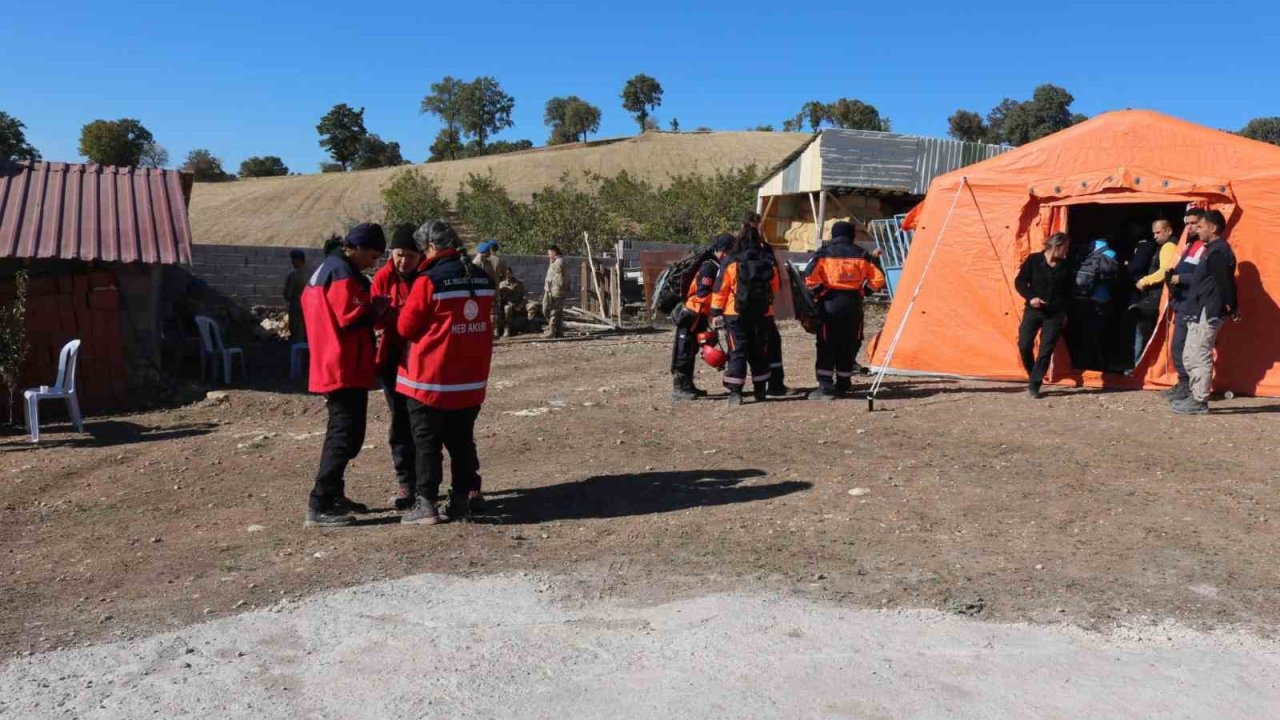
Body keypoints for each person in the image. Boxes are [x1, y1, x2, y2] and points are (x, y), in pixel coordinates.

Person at [397, 220, 496, 524]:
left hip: (429, 379)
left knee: (426, 443)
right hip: (470, 379)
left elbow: (406, 328)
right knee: (462, 441)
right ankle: (460, 502)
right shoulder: (481, 278)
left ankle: (425, 503)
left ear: (430, 247)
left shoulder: (428, 280)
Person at [301, 223, 389, 527]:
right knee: (343, 436)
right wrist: (377, 308)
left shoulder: (328, 268)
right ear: (359, 248)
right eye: (373, 256)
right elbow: (348, 319)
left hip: (334, 362)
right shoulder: (342, 273)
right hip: (342, 365)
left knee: (348, 434)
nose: (374, 263)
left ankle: (334, 495)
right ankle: (319, 503)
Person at [804, 221, 886, 400]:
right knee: (848, 343)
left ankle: (825, 386)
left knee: (826, 343)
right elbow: (879, 278)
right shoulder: (862, 254)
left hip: (830, 305)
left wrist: (822, 292)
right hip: (853, 304)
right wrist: (864, 291)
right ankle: (843, 383)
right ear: (852, 235)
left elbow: (809, 278)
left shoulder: (824, 254)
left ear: (833, 235)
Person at [371, 224, 423, 510]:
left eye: (410, 256)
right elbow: (377, 318)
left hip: (422, 361)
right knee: (400, 421)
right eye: (399, 254)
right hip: (391, 361)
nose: (404, 261)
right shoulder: (382, 278)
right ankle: (406, 481)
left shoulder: (427, 278)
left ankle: (428, 481)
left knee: (425, 422)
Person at [1171, 210, 1237, 414]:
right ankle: (1195, 394)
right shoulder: (1211, 250)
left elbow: (1225, 282)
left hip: (1207, 311)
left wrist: (1232, 307)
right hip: (1197, 309)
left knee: (1199, 355)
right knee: (1190, 354)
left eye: (1200, 226)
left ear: (1213, 228)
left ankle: (1200, 400)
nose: (1196, 230)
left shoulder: (1218, 252)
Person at [711, 234, 780, 405]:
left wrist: (715, 312)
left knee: (737, 352)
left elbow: (720, 290)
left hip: (735, 314)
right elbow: (775, 287)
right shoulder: (768, 262)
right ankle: (760, 390)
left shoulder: (732, 263)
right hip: (762, 314)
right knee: (759, 352)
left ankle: (735, 393)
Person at [672, 234, 733, 401]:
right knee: (683, 350)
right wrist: (718, 306)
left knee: (691, 349)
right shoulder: (709, 267)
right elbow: (702, 293)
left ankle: (688, 385)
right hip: (692, 313)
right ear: (725, 251)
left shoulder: (716, 266)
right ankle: (679, 388)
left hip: (699, 314)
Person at [1016, 232, 1074, 398]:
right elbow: (1020, 281)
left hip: (1055, 313)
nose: (1066, 252)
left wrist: (1064, 313)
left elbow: (1070, 292)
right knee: (1024, 344)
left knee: (1045, 349)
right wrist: (1031, 296)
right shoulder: (1034, 260)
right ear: (1056, 247)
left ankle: (1035, 384)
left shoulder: (1066, 266)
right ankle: (1032, 372)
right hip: (1034, 310)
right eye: (1065, 248)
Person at [740, 212, 789, 396]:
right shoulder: (764, 250)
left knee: (742, 347)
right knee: (771, 344)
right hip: (762, 307)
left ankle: (737, 390)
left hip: (738, 308)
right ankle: (774, 385)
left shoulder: (735, 249)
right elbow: (774, 279)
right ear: (756, 225)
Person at [1165, 207, 1207, 401]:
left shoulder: (1206, 248)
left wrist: (1180, 278)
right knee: (1178, 346)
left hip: (1194, 304)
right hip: (1182, 302)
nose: (1189, 227)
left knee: (1187, 347)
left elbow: (1204, 277)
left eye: (1194, 223)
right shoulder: (1190, 245)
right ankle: (1183, 382)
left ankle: (1190, 388)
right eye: (1187, 223)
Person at [1130, 219, 1180, 364]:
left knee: (1141, 324)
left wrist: (1144, 281)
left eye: (1158, 232)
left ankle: (1139, 364)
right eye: (1154, 233)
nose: (1155, 236)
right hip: (1157, 295)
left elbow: (1164, 271)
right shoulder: (1166, 246)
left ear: (1169, 231)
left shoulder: (1169, 246)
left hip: (1158, 295)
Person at [1073, 238, 1120, 371]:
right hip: (1102, 299)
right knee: (1100, 334)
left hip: (1084, 297)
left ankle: (1084, 362)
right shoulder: (1111, 253)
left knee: (1085, 332)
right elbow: (1114, 277)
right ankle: (1100, 364)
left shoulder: (1088, 253)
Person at [474, 240, 511, 338]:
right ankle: (494, 331)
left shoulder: (485, 261)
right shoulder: (498, 261)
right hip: (492, 290)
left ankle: (489, 332)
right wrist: (497, 281)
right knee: (493, 311)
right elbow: (504, 276)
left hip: (483, 291)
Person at [543, 245, 569, 338]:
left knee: (554, 311)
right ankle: (558, 331)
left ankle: (552, 331)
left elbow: (560, 279)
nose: (548, 255)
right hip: (549, 289)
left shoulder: (559, 262)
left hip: (556, 290)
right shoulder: (554, 262)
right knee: (548, 309)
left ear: (554, 252)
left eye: (549, 253)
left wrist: (557, 290)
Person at [283, 250, 309, 343]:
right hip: (310, 308)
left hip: (297, 309)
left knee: (297, 337)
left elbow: (288, 294)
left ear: (297, 260)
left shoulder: (294, 276)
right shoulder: (312, 273)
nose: (291, 262)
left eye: (293, 260)